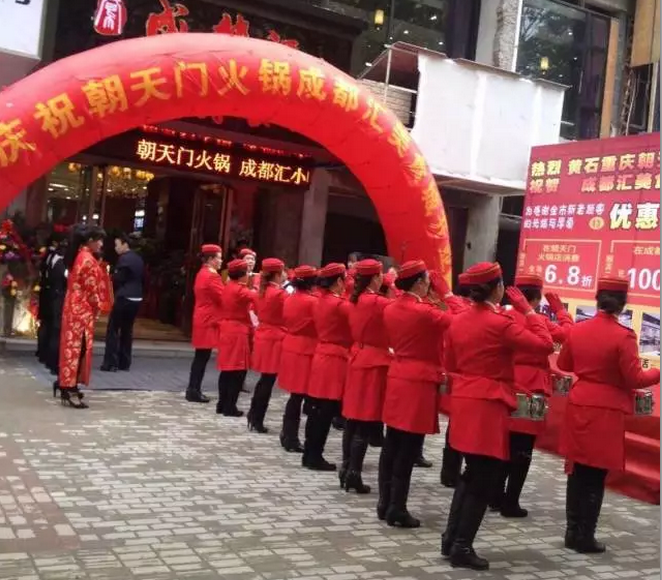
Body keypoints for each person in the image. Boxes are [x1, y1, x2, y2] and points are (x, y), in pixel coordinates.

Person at [441, 262, 554, 571]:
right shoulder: (500, 323)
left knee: (470, 474)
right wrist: (529, 313)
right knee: (483, 478)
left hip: (464, 400)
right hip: (487, 405)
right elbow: (544, 345)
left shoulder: (459, 320)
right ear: (498, 288)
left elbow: (450, 361)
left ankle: (452, 539)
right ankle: (462, 545)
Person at [557, 277, 659, 554]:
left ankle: (571, 531)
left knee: (577, 470)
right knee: (595, 474)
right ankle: (585, 536)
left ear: (597, 298)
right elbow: (635, 377)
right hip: (607, 410)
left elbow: (565, 363)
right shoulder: (623, 336)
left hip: (579, 405)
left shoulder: (578, 330)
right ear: (623, 303)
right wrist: (658, 372)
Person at [379, 261, 457, 529]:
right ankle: (397, 508)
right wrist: (446, 295)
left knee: (392, 444)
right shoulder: (425, 312)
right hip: (419, 382)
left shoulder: (391, 307)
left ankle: (385, 501)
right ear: (421, 283)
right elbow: (461, 320)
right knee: (408, 449)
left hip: (398, 376)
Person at [490, 274, 574, 518]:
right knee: (523, 448)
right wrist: (560, 311)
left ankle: (495, 496)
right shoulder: (538, 321)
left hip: (506, 383)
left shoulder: (502, 316)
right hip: (531, 388)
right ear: (536, 298)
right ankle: (511, 501)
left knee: (503, 443)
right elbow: (568, 334)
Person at [342, 259, 391, 493]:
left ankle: (346, 467)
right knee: (365, 420)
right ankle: (354, 473)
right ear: (374, 278)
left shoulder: (355, 299)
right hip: (374, 361)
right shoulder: (377, 302)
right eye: (380, 274)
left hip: (357, 356)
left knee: (353, 417)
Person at [304, 263, 351, 471]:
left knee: (316, 410)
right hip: (334, 359)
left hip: (322, 355)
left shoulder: (319, 300)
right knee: (325, 412)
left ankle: (310, 452)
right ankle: (315, 455)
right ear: (339, 281)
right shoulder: (339, 304)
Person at [57, 225, 106, 409]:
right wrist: (99, 306)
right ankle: (69, 388)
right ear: (90, 240)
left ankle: (68, 386)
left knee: (72, 348)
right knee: (78, 349)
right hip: (82, 310)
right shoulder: (88, 260)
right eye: (99, 240)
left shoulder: (79, 256)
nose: (101, 244)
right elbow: (93, 290)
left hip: (72, 307)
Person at [278, 265, 319, 453]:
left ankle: (287, 434)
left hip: (291, 346)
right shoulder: (312, 302)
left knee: (295, 396)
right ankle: (292, 437)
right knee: (302, 397)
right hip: (306, 349)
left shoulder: (289, 298)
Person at [439, 273, 472, 488]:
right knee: (463, 426)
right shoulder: (465, 311)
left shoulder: (450, 307)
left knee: (455, 422)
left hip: (452, 371)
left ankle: (449, 471)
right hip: (466, 375)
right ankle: (453, 471)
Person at [248, 258, 287, 433]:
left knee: (264, 379)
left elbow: (256, 311)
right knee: (268, 381)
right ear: (278, 274)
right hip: (274, 338)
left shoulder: (260, 292)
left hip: (263, 335)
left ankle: (254, 414)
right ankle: (257, 418)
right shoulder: (279, 294)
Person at [216, 259, 256, 417]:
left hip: (226, 329)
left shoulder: (227, 286)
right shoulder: (241, 290)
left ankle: (222, 403)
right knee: (237, 371)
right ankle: (230, 406)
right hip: (238, 331)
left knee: (226, 369)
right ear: (242, 275)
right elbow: (258, 298)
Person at [186, 244, 224, 404]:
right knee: (202, 357)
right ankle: (194, 389)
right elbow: (223, 296)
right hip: (208, 320)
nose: (221, 261)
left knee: (200, 357)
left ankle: (193, 388)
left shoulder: (202, 273)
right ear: (211, 259)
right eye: (219, 257)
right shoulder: (212, 276)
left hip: (202, 318)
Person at [101, 234, 144, 373]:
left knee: (113, 329)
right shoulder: (138, 259)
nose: (115, 248)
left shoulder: (124, 259)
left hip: (124, 296)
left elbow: (119, 278)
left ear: (125, 244)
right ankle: (125, 363)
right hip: (137, 297)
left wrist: (111, 277)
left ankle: (111, 363)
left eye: (117, 244)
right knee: (127, 330)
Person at [45, 237, 68, 376]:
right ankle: (54, 364)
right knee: (56, 331)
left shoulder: (54, 259)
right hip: (59, 298)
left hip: (55, 296)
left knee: (54, 330)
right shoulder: (60, 263)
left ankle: (51, 361)